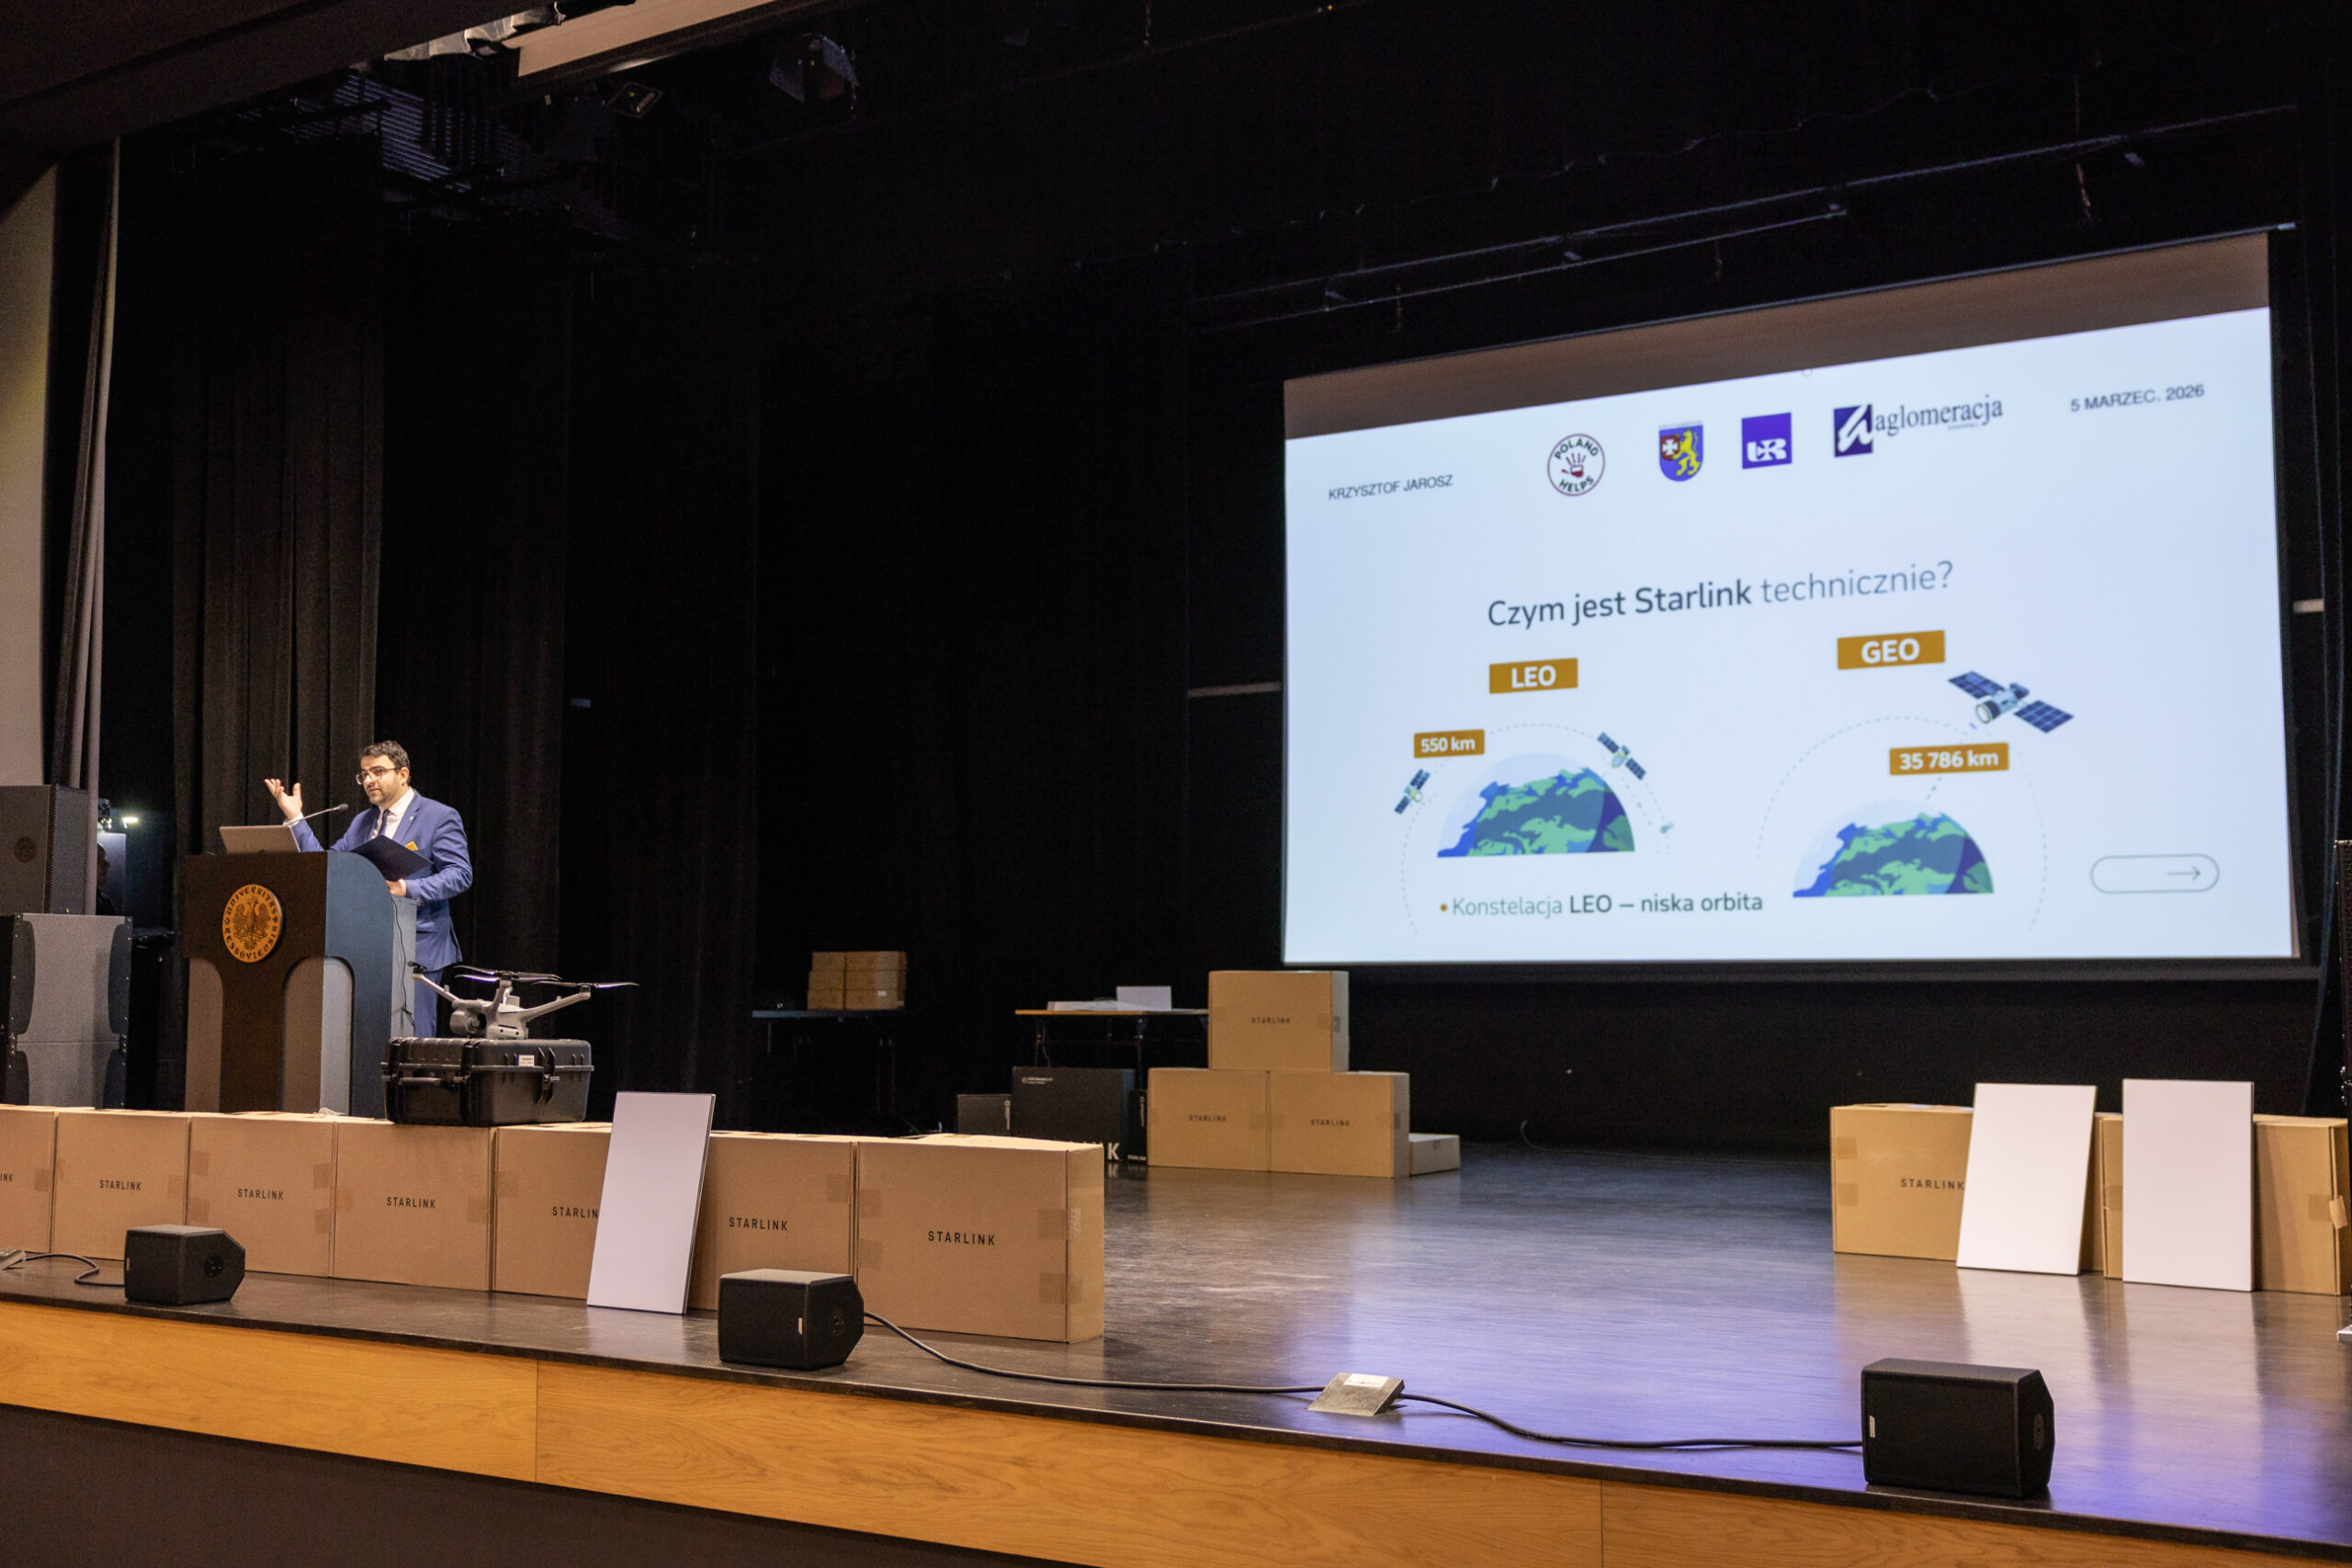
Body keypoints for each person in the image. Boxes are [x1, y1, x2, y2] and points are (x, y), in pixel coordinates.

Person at [264, 741, 471, 1034]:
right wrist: (296, 818)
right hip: (367, 945)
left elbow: (460, 874)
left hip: (418, 947)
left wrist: (405, 888)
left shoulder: (438, 816)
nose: (369, 780)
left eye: (378, 772)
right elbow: (328, 865)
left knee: (413, 1039)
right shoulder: (363, 822)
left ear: (403, 774)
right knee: (368, 1036)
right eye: (364, 774)